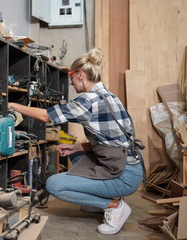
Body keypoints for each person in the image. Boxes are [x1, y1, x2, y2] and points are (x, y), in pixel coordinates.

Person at [8, 48, 144, 235]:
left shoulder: (87, 101)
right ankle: (98, 201)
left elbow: (45, 116)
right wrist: (78, 146)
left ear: (80, 75)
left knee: (54, 184)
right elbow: (114, 140)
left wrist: (13, 105)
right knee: (78, 154)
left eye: (71, 78)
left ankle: (113, 206)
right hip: (129, 165)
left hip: (124, 176)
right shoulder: (109, 96)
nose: (70, 83)